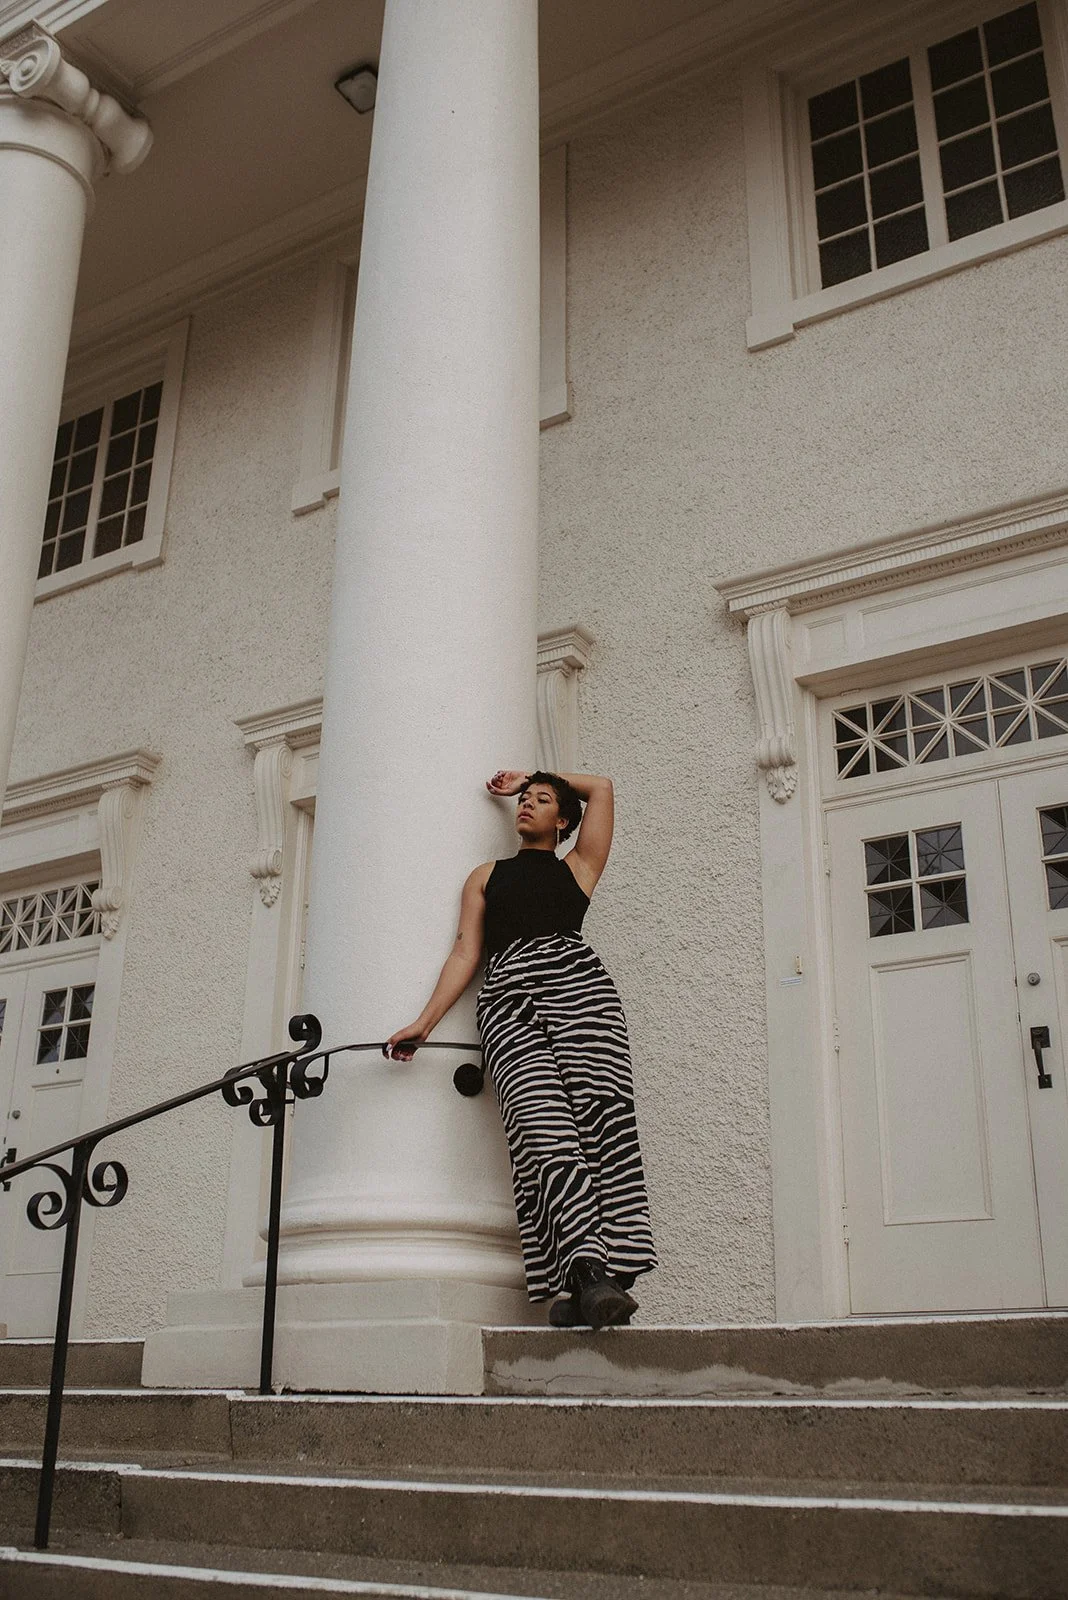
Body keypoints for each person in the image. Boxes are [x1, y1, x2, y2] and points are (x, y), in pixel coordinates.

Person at [385, 769, 657, 1331]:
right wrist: (425, 1023)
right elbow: (466, 952)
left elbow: (602, 788)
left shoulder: (578, 868)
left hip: (582, 994)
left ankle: (601, 1280)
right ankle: (588, 1272)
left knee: (604, 1125)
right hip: (509, 1002)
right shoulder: (485, 876)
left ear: (563, 821)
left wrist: (526, 773)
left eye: (542, 799)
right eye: (524, 799)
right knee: (541, 1131)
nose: (527, 804)